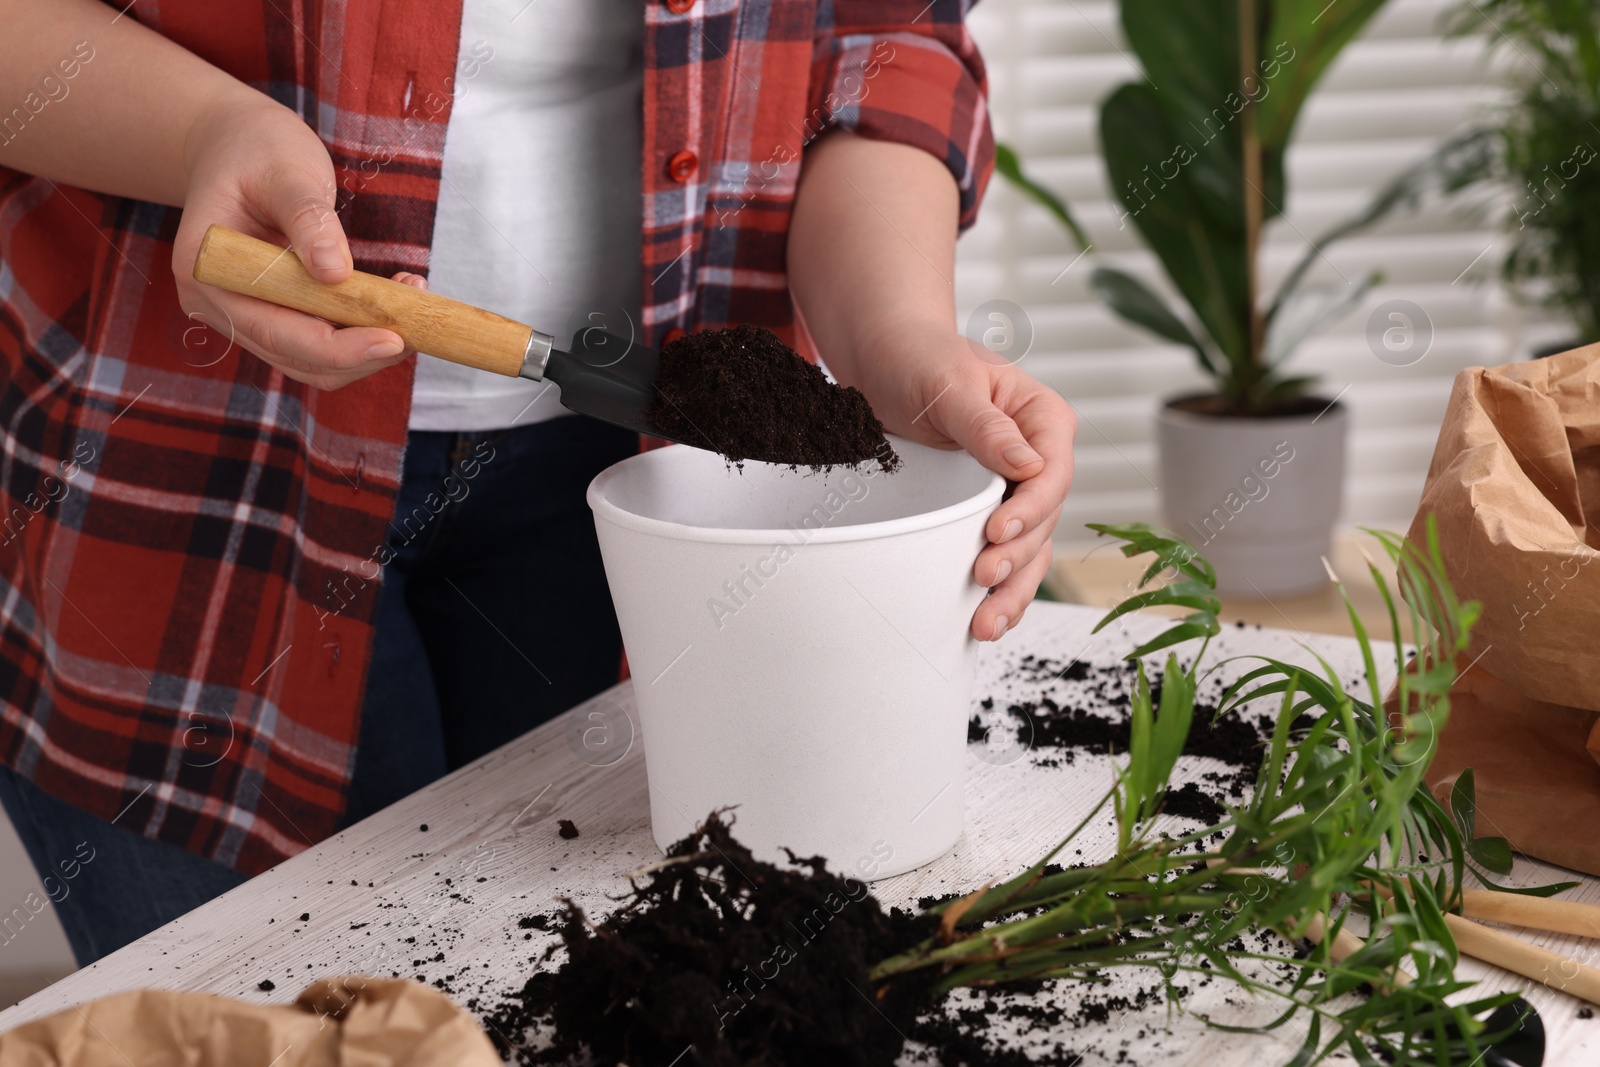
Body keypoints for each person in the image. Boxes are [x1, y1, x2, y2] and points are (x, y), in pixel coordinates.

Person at [0, 0, 1075, 966]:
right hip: (172, 486)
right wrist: (202, 135)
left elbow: (880, 43)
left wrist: (899, 338)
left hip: (627, 477)